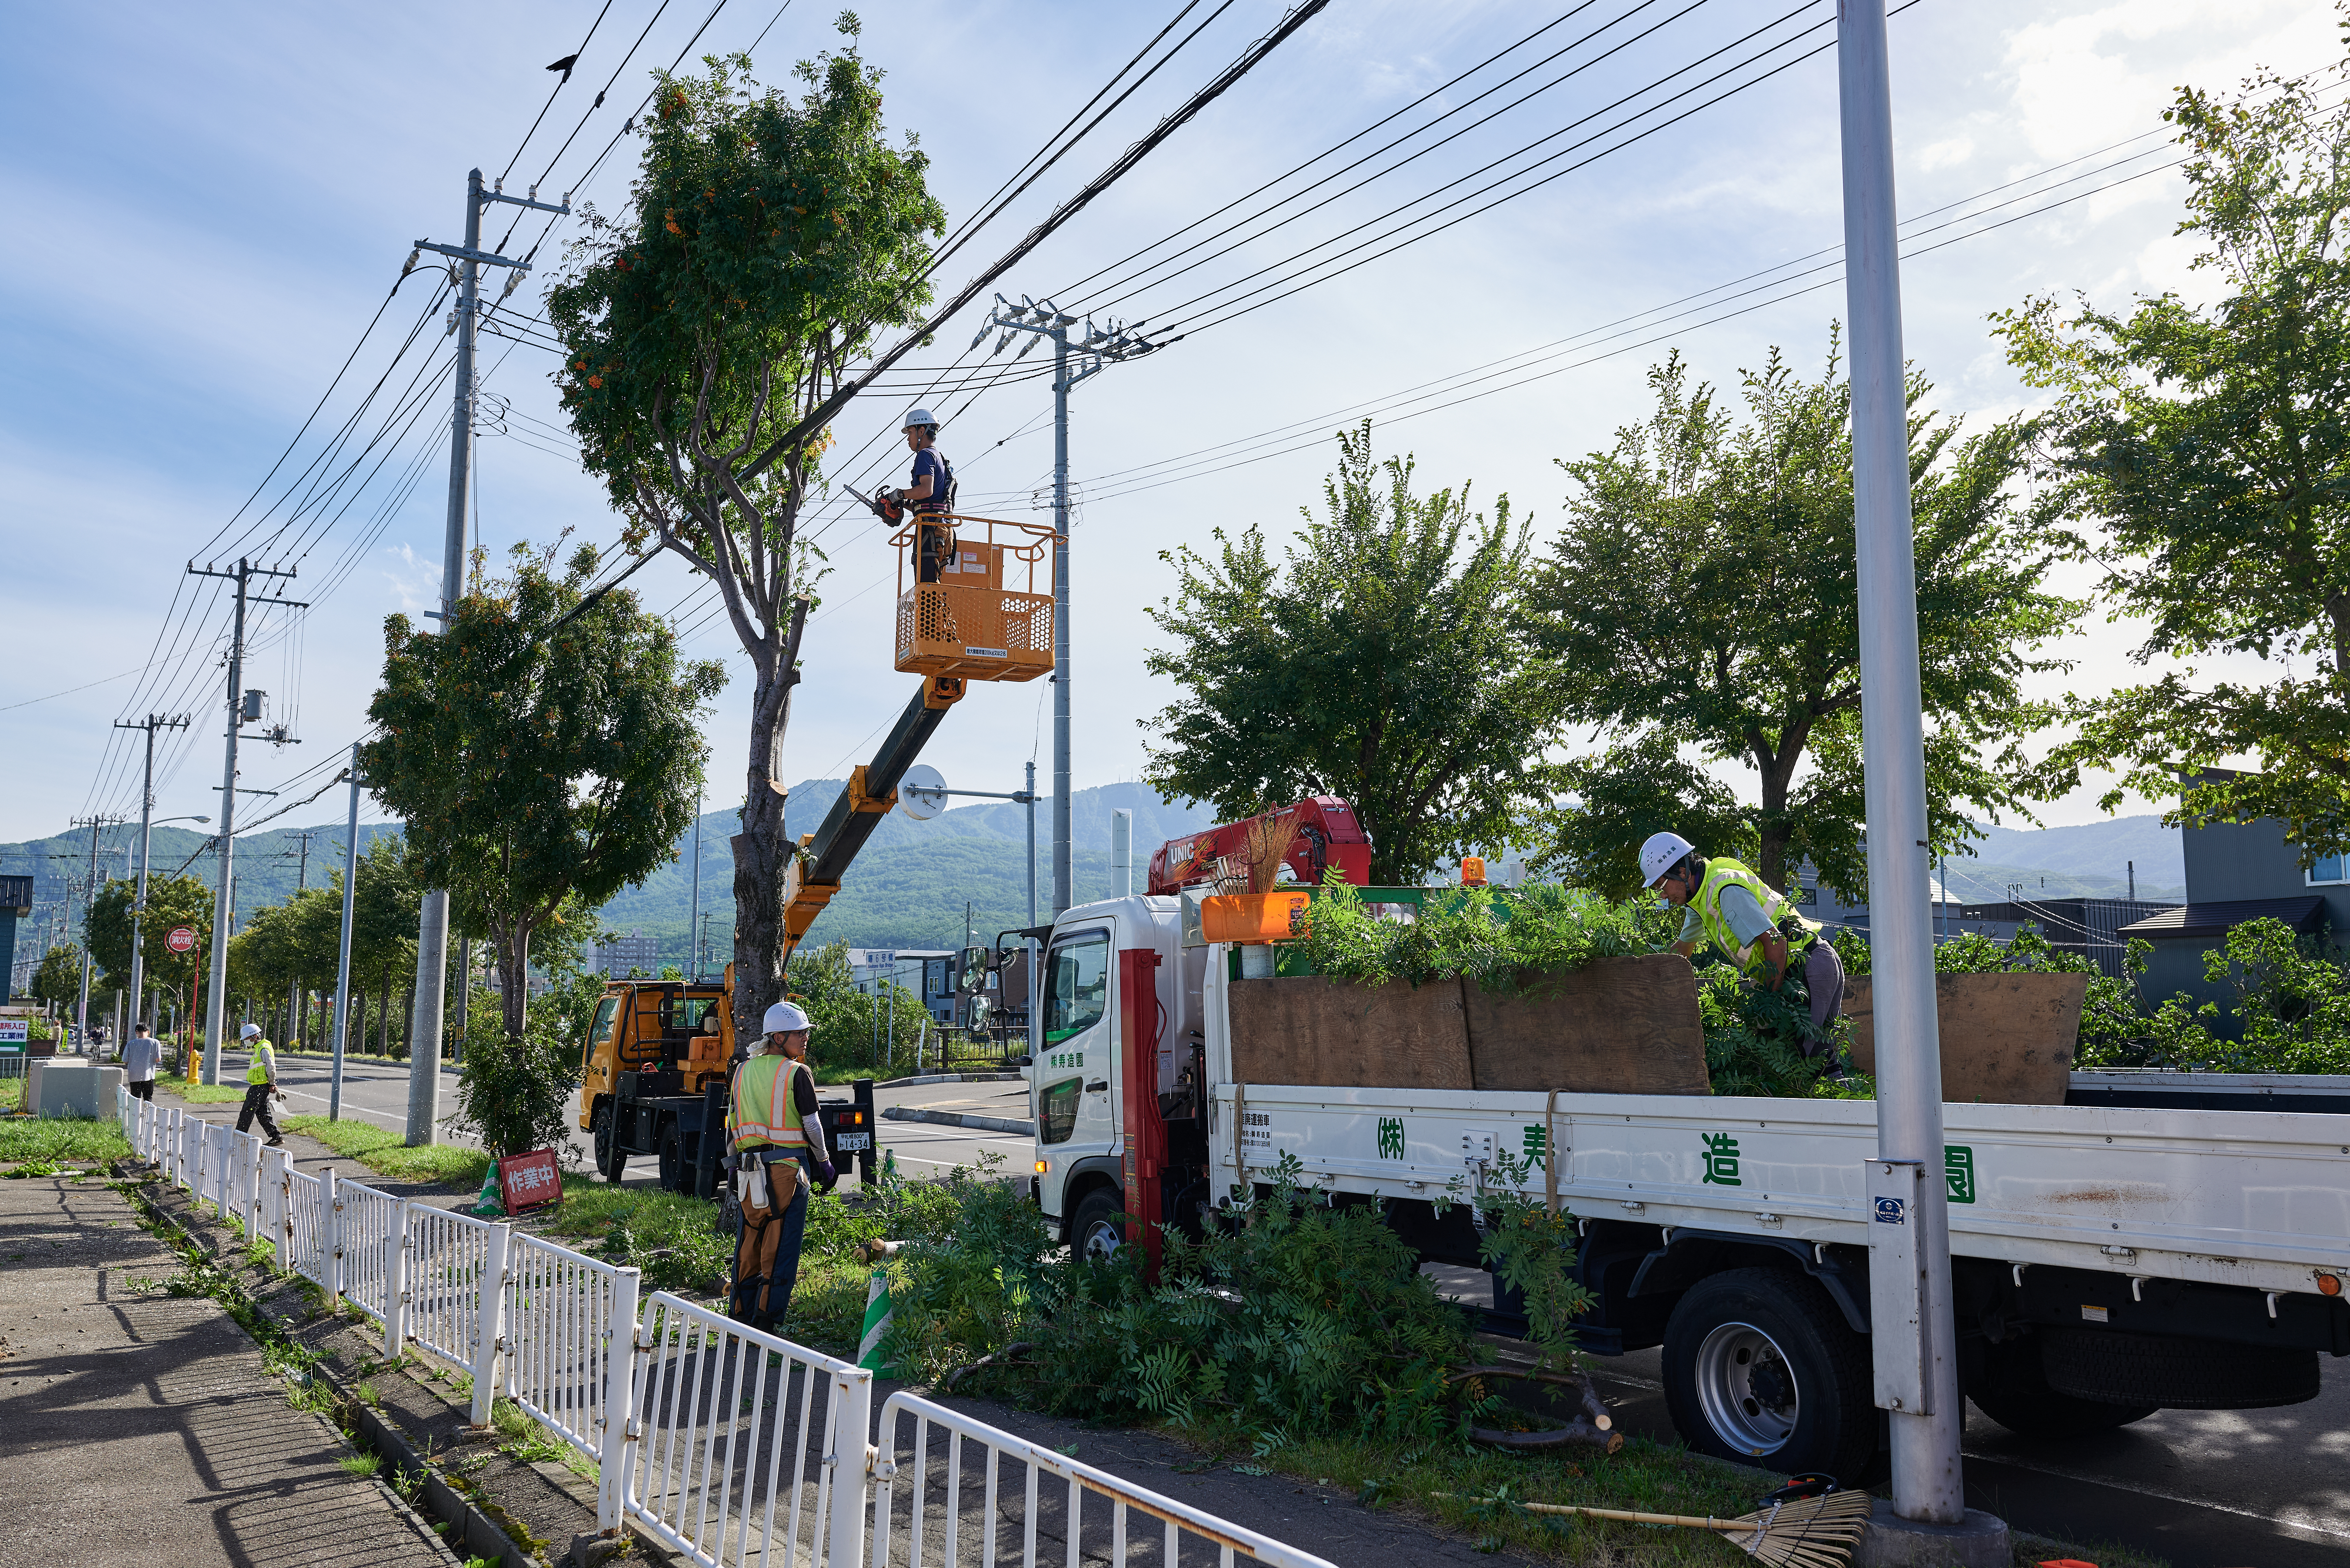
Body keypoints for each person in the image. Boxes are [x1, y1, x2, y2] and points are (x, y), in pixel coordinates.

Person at [1641, 831, 1847, 1066]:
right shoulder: (1699, 898)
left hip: (1805, 970)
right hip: (1807, 966)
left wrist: (1769, 1004)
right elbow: (1682, 951)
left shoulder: (1725, 891)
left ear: (1682, 872)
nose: (1663, 896)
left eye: (1662, 885)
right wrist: (1646, 979)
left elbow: (1776, 943)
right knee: (1814, 1060)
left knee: (1807, 1063)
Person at [725, 1001, 836, 1332]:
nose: (805, 1039)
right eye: (799, 1034)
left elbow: (731, 1124)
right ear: (778, 1035)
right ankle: (767, 1322)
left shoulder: (742, 1070)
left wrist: (732, 1167)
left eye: (806, 1033)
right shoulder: (796, 1072)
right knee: (781, 1248)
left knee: (749, 1244)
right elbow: (813, 1126)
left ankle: (740, 1317)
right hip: (787, 1171)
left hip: (747, 1172)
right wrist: (825, 1163)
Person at [890, 407, 956, 584]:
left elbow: (926, 490)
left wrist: (899, 494)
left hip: (931, 529)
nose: (908, 438)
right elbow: (931, 499)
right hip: (940, 528)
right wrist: (906, 503)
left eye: (910, 432)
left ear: (922, 431)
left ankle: (939, 614)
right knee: (931, 584)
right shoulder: (939, 457)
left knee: (927, 588)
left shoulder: (925, 455)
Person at [234, 1021, 285, 1145]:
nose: (246, 1041)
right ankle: (276, 1136)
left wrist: (272, 1084)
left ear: (255, 1036)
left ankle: (238, 1138)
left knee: (247, 1112)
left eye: (247, 1039)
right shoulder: (259, 1049)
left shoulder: (263, 1048)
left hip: (260, 1087)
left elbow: (271, 1067)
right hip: (259, 1086)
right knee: (263, 1113)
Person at [121, 1023, 161, 1103]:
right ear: (148, 1032)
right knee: (148, 1098)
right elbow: (158, 1059)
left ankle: (135, 1115)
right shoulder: (155, 1042)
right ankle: (148, 1115)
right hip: (148, 1076)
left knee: (136, 1100)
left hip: (134, 1076)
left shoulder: (131, 1044)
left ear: (137, 1032)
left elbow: (125, 1060)